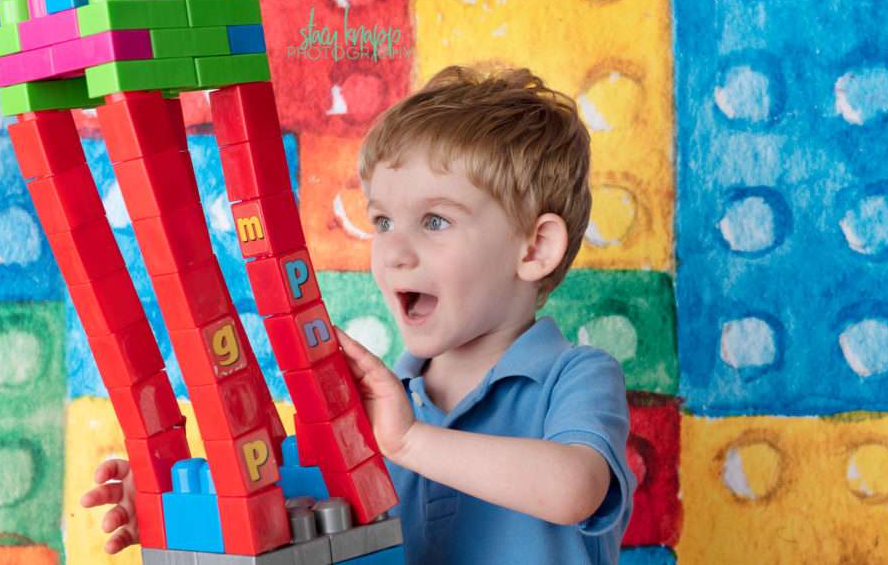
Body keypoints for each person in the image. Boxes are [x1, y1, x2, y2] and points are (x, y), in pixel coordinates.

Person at [82, 64, 634, 564]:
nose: (394, 251)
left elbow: (572, 489)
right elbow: (290, 513)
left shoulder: (577, 375)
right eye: (383, 222)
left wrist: (410, 440)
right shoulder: (376, 402)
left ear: (534, 249)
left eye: (436, 221)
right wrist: (178, 507)